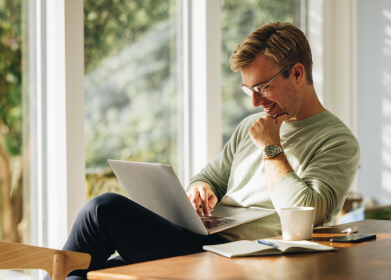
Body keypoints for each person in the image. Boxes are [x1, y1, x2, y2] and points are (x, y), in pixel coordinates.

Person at [49, 22, 359, 280]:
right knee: (92, 272)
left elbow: (306, 211)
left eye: (262, 87)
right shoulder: (250, 126)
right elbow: (210, 176)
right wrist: (201, 188)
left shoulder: (337, 142)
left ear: (297, 73)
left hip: (248, 256)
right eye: (248, 89)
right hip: (203, 240)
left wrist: (271, 148)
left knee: (103, 211)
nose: (254, 102)